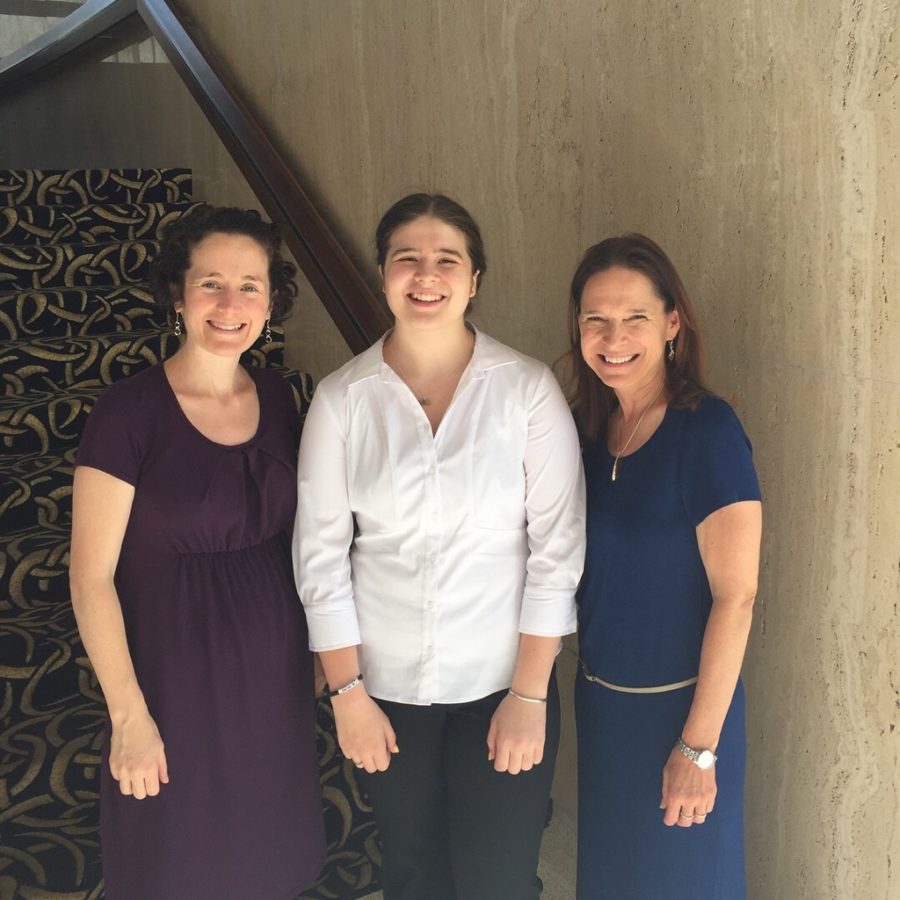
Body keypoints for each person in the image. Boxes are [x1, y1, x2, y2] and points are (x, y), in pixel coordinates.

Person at [293, 193, 585, 900]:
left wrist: (530, 693)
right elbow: (321, 559)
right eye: (407, 259)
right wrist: (347, 694)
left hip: (501, 688)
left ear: (475, 278)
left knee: (500, 878)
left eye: (446, 259)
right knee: (413, 872)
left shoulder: (525, 391)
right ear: (383, 273)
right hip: (384, 694)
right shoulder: (344, 399)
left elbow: (557, 548)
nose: (426, 275)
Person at [69, 206, 326, 899]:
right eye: (211, 283)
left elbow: (302, 539)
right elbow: (89, 577)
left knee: (270, 857)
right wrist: (128, 716)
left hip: (274, 679)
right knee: (179, 862)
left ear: (271, 302)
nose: (230, 303)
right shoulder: (126, 412)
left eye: (250, 284)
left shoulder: (279, 396)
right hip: (172, 683)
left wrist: (320, 660)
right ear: (178, 295)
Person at [567, 233, 762, 899]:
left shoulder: (708, 432)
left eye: (635, 318)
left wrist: (697, 749)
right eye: (595, 318)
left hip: (682, 720)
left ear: (673, 323)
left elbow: (736, 597)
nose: (612, 337)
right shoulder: (587, 434)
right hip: (601, 709)